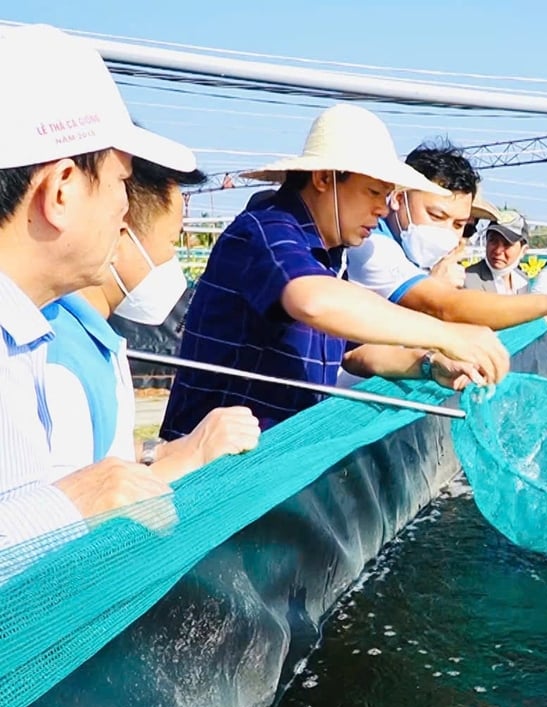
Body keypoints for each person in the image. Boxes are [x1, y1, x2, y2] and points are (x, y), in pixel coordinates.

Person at [160, 104, 510, 439]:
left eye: (387, 195)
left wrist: (430, 364)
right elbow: (314, 301)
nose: (381, 208)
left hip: (275, 451)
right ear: (324, 179)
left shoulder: (330, 254)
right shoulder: (267, 232)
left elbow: (355, 352)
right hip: (218, 462)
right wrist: (448, 336)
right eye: (373, 192)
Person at [0, 24, 196, 549]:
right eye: (121, 182)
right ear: (61, 190)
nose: (125, 208)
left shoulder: (27, 335)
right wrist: (73, 504)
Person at [43, 156, 261, 483]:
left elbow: (92, 454)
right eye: (171, 242)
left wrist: (158, 453)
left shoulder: (91, 338)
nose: (173, 260)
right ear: (119, 233)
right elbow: (73, 504)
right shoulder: (56, 355)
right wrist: (195, 454)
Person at [344, 142, 547, 338]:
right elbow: (446, 306)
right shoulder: (372, 247)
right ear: (398, 199)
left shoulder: (416, 253)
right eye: (436, 215)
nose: (448, 234)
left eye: (460, 226)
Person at [463, 209, 531, 295]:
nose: (498, 251)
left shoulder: (523, 281)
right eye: (493, 240)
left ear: (523, 250)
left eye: (507, 244)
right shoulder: (467, 280)